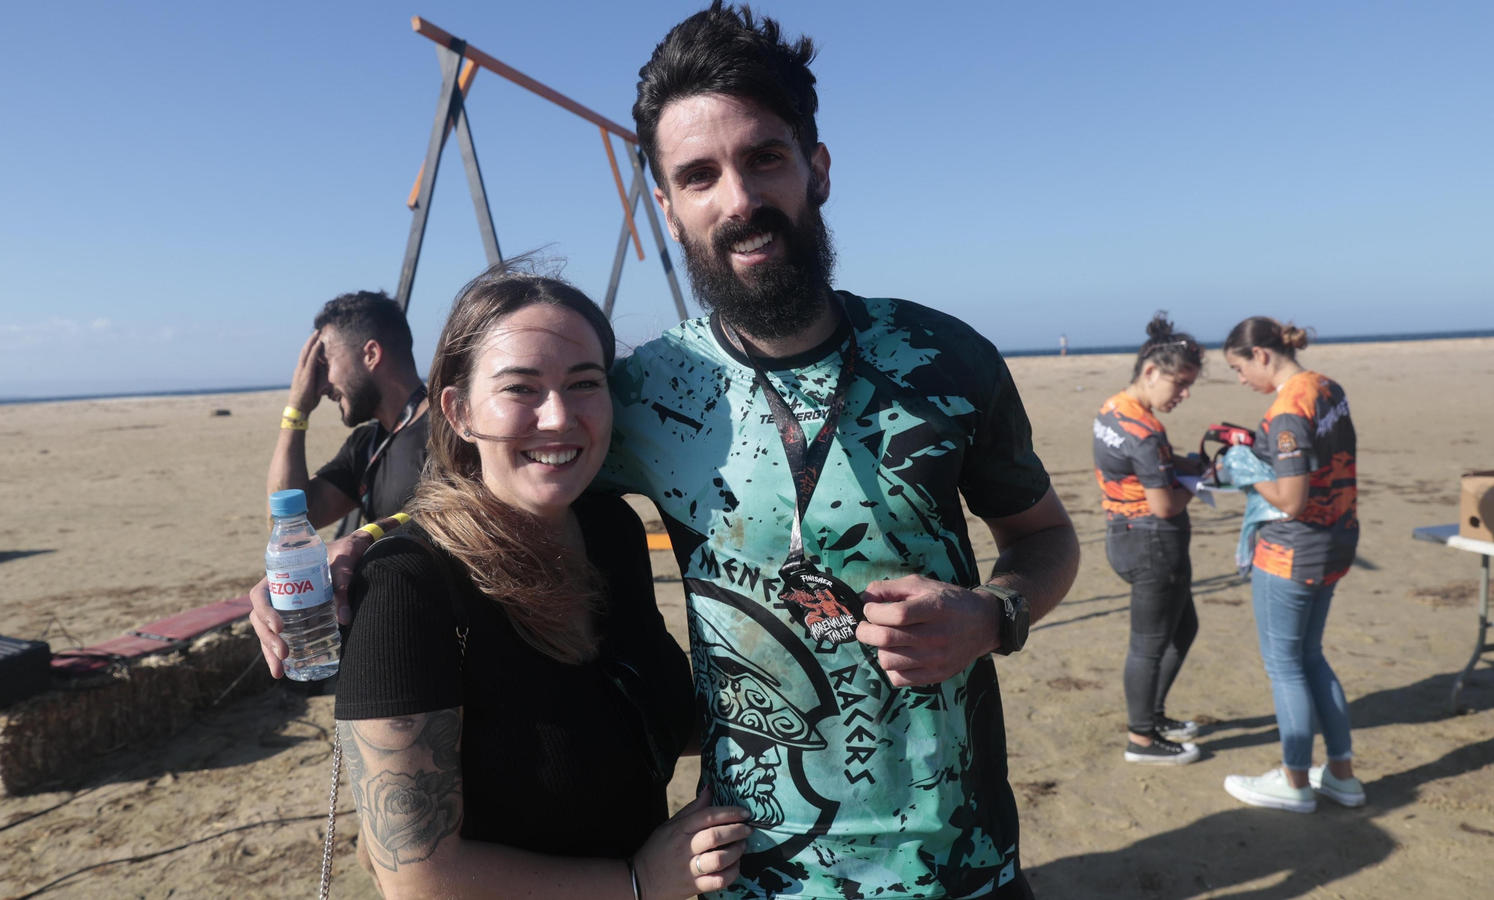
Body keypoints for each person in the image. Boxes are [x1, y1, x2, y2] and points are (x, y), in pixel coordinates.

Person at [256, 5, 1079, 896]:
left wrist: (994, 616)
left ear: (817, 168)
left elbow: (1044, 536)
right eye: (699, 176)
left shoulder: (946, 359)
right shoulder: (638, 393)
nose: (740, 201)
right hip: (753, 868)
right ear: (668, 209)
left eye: (765, 157)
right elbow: (499, 480)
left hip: (967, 862)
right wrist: (362, 550)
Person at [331, 265, 752, 899]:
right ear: (459, 411)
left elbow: (642, 716)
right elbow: (416, 877)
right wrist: (637, 882)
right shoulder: (406, 584)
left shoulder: (610, 530)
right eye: (521, 388)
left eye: (584, 383)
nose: (557, 417)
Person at [1220, 317, 1364, 813]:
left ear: (1261, 355)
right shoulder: (1327, 387)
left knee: (1284, 666)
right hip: (1337, 539)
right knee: (1311, 656)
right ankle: (1342, 776)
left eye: (1239, 368)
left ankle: (1295, 780)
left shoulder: (1286, 411)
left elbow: (1291, 499)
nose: (1241, 379)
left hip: (1292, 550)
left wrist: (1243, 469)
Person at [1092, 314, 1206, 766]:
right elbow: (1165, 505)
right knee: (1149, 644)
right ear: (1152, 372)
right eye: (1180, 384)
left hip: (1123, 536)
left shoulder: (1113, 409)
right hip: (1153, 544)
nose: (1184, 394)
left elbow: (1151, 460)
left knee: (1183, 629)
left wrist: (1187, 463)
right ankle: (1141, 738)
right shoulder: (1147, 429)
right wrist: (1200, 482)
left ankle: (1152, 715)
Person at [267, 291, 430, 528]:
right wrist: (296, 408)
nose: (321, 387)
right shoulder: (365, 446)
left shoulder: (449, 432)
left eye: (325, 365)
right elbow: (286, 524)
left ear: (371, 355)